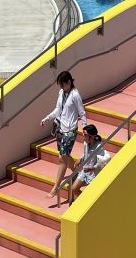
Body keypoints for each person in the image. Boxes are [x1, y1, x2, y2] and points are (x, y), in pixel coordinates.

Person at [41, 70, 86, 200]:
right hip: (60, 128)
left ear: (69, 82)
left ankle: (56, 188)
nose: (61, 87)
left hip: (70, 130)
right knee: (65, 157)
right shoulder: (61, 92)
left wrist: (85, 128)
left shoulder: (75, 95)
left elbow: (82, 113)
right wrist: (47, 118)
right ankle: (78, 173)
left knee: (62, 158)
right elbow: (58, 109)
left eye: (62, 85)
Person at [63, 124, 111, 205]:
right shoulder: (86, 143)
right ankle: (81, 203)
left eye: (85, 135)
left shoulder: (99, 148)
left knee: (79, 190)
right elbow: (85, 153)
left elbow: (103, 162)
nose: (83, 137)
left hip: (93, 174)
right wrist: (80, 159)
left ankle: (84, 204)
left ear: (91, 137)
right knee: (74, 189)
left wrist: (92, 168)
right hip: (84, 171)